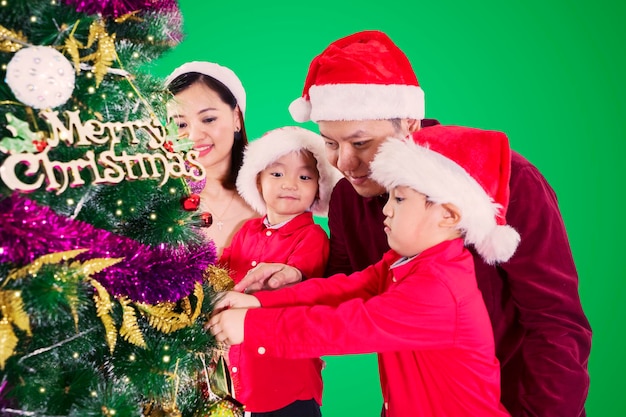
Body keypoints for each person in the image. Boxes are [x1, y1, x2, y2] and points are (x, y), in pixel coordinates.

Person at [234, 30, 592, 417]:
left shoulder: (504, 181)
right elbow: (355, 289)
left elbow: (557, 323)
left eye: (361, 143)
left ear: (409, 122)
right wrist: (292, 279)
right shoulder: (347, 198)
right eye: (331, 144)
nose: (344, 164)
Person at [209, 125, 520, 417]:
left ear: (448, 215)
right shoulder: (405, 262)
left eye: (399, 199)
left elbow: (344, 326)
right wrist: (262, 302)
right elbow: (343, 288)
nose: (386, 208)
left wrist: (254, 327)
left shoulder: (439, 287)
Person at [220, 126, 341, 416]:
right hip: (241, 374)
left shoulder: (312, 237)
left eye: (304, 176)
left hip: (289, 377)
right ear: (257, 181)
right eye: (277, 174)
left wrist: (288, 276)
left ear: (318, 187)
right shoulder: (245, 231)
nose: (290, 184)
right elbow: (219, 277)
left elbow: (297, 292)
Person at [165, 61, 259, 257]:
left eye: (208, 119)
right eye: (181, 124)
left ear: (236, 119)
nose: (193, 136)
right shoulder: (159, 207)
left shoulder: (272, 194)